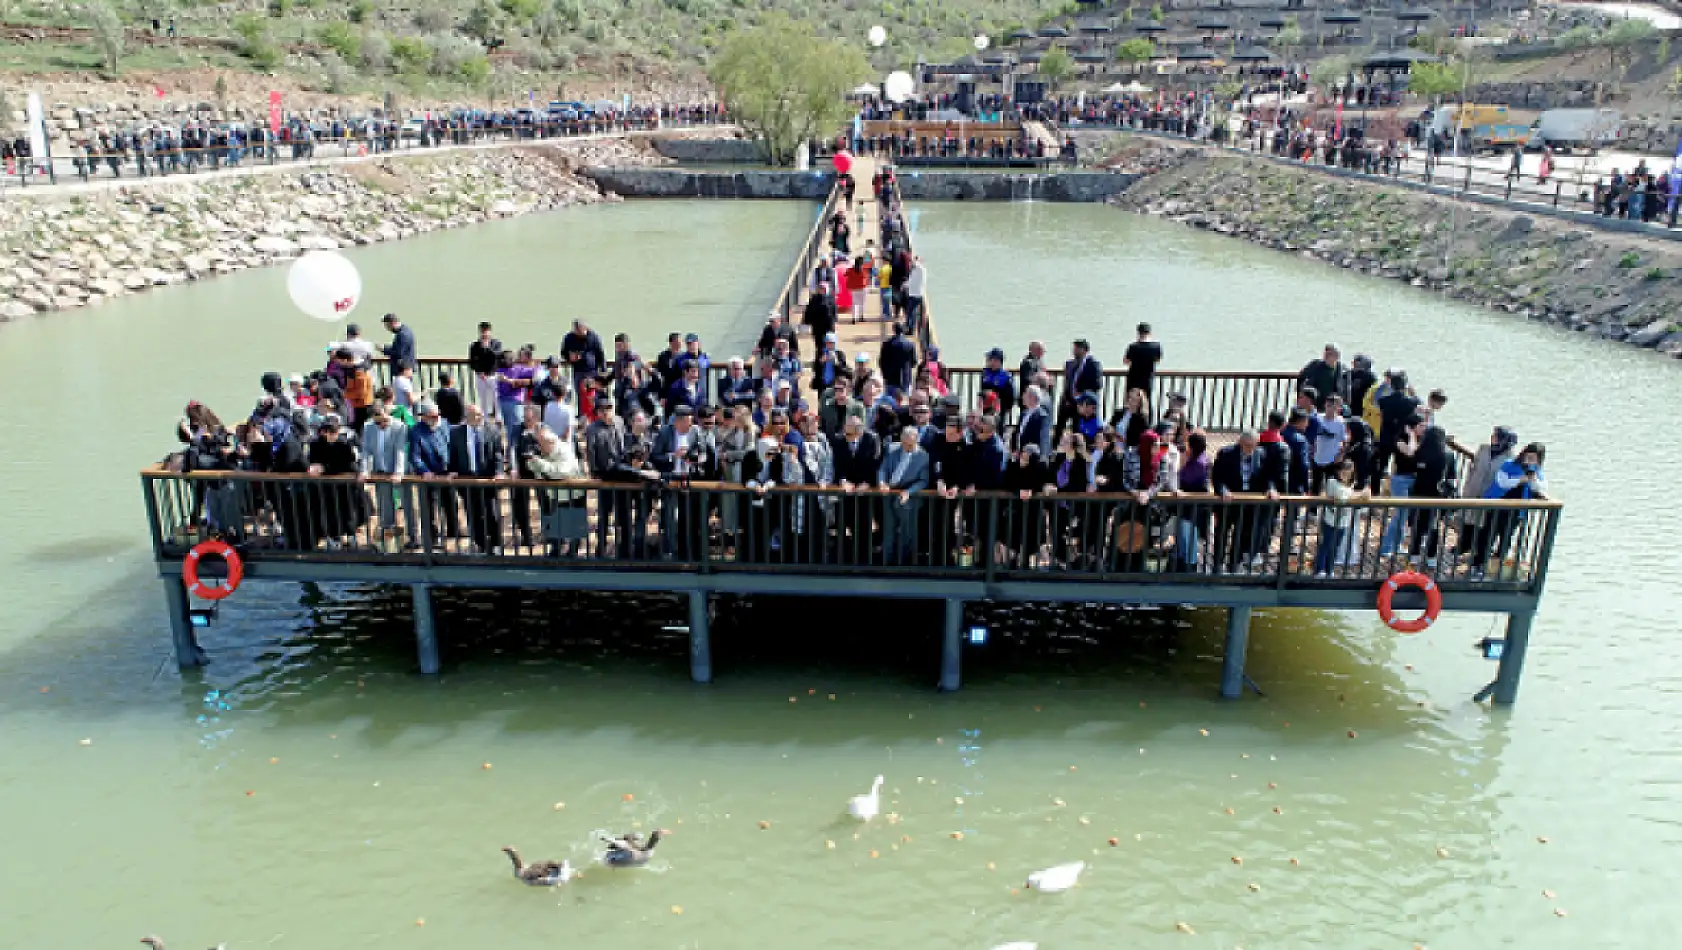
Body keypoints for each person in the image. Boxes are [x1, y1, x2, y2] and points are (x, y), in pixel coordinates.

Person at [1211, 429, 1285, 573]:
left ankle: (1234, 565)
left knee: (1241, 535)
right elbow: (1217, 477)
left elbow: (1267, 477)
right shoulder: (1226, 453)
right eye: (1246, 445)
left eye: (1252, 445)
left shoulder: (1262, 454)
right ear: (1240, 442)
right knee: (1222, 534)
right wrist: (1223, 491)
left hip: (1248, 504)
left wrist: (1271, 489)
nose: (1249, 449)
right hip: (1228, 502)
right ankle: (1217, 565)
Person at [1480, 442, 1547, 575]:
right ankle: (1480, 562)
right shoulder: (1510, 465)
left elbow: (1541, 487)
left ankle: (1497, 567)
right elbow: (1502, 482)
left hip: (1516, 511)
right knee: (1488, 535)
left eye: (1534, 458)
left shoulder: (1536, 471)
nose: (1530, 460)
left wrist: (1532, 480)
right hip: (1498, 506)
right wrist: (1519, 480)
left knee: (1506, 538)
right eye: (1528, 456)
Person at [447, 405, 507, 553]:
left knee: (491, 513)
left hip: (487, 479)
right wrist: (453, 470)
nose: (479, 418)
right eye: (475, 415)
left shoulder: (492, 430)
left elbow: (498, 454)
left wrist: (499, 472)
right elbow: (453, 454)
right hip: (467, 479)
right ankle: (479, 543)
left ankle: (496, 543)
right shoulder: (456, 433)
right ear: (467, 417)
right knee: (472, 512)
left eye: (480, 414)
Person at [525, 427, 588, 556]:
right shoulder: (543, 451)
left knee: (574, 527)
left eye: (541, 443)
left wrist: (540, 464)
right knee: (556, 526)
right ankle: (556, 552)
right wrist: (533, 462)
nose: (539, 446)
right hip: (556, 495)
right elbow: (536, 471)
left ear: (550, 443)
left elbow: (562, 472)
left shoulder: (564, 450)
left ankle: (573, 554)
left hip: (573, 494)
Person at [359, 404, 412, 548]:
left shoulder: (400, 427)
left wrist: (399, 472)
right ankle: (388, 539)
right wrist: (364, 470)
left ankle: (413, 535)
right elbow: (366, 450)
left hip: (399, 471)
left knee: (407, 504)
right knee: (384, 504)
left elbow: (400, 450)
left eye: (384, 421)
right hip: (381, 471)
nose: (382, 424)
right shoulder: (368, 427)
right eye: (378, 422)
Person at [878, 425, 931, 565]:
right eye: (904, 443)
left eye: (910, 444)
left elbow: (923, 481)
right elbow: (883, 469)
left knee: (908, 532)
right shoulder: (891, 449)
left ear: (916, 441)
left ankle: (904, 563)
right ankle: (886, 563)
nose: (907, 446)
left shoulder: (923, 456)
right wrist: (882, 482)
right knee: (888, 529)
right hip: (889, 494)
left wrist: (909, 492)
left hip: (909, 499)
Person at [1407, 425, 1457, 566]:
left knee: (1417, 525)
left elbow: (1413, 467)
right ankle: (1431, 557)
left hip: (1420, 494)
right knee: (1434, 527)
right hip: (1438, 497)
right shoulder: (1449, 454)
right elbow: (1452, 477)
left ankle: (1414, 554)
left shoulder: (1422, 452)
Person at [1379, 417, 1423, 558]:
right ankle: (1386, 547)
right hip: (1401, 480)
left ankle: (1397, 545)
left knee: (1405, 516)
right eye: (1420, 426)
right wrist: (1411, 435)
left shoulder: (1419, 439)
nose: (1423, 429)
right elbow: (1410, 452)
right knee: (1400, 515)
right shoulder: (1400, 440)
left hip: (1413, 479)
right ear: (1411, 427)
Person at [1314, 459, 1366, 577]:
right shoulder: (1332, 482)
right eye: (1343, 472)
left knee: (1336, 546)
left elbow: (1350, 497)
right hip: (1329, 520)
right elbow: (1341, 497)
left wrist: (1360, 495)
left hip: (1343, 522)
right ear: (1339, 471)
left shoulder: (1351, 486)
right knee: (1326, 544)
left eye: (1348, 474)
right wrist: (1359, 495)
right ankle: (1320, 569)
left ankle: (1329, 569)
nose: (1345, 476)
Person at [1057, 339, 1102, 436]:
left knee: (1078, 429)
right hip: (1069, 400)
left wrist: (1082, 394)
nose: (1074, 351)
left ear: (1083, 350)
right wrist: (1066, 397)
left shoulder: (1093, 364)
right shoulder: (1070, 364)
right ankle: (1056, 445)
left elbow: (1097, 384)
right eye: (1073, 349)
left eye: (1076, 349)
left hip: (1083, 402)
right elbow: (1068, 382)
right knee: (1060, 426)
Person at [1310, 394, 1347, 493]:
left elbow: (1344, 441)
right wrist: (1312, 451)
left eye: (1333, 407)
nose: (1330, 409)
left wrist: (1340, 455)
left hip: (1332, 460)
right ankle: (1312, 508)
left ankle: (1329, 508)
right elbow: (1311, 437)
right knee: (1315, 487)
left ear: (1338, 408)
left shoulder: (1340, 422)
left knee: (1332, 488)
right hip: (1317, 458)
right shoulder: (1318, 419)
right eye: (1328, 406)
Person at [468, 322, 503, 418]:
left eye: (486, 331)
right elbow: (472, 362)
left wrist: (487, 348)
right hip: (480, 376)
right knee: (482, 398)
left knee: (496, 397)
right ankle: (484, 418)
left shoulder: (497, 344)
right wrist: (479, 372)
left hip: (493, 375)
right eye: (482, 331)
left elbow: (496, 356)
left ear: (490, 332)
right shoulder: (474, 346)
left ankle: (498, 418)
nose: (484, 334)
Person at [1297, 343, 1348, 410]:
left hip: (1331, 404)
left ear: (1337, 356)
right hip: (1314, 403)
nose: (1327, 355)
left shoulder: (1341, 368)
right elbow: (1301, 377)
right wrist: (1300, 395)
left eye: (1331, 353)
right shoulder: (1315, 365)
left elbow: (1346, 386)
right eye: (1326, 353)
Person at [1122, 322, 1162, 399]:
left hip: (1133, 379)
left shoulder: (1133, 346)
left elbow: (1126, 361)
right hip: (1147, 379)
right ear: (1150, 333)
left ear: (1138, 333)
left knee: (1131, 402)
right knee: (1146, 401)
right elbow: (1157, 360)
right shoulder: (1156, 346)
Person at [560, 319, 605, 384]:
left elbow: (601, 354)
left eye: (580, 331)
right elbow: (563, 353)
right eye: (576, 331)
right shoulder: (569, 338)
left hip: (592, 371)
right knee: (580, 392)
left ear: (585, 328)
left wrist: (603, 370)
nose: (579, 333)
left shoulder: (594, 337)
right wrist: (569, 357)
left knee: (593, 393)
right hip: (578, 371)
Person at [880, 323, 917, 394]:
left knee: (891, 401)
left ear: (893, 330)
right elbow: (914, 362)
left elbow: (882, 362)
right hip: (905, 378)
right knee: (905, 400)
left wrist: (885, 374)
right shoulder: (910, 345)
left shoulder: (887, 344)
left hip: (891, 378)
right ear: (903, 330)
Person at [980, 348, 1017, 421]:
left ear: (997, 361)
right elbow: (983, 390)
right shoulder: (985, 373)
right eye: (988, 359)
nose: (988, 361)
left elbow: (1011, 396)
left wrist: (1007, 408)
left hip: (999, 409)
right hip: (986, 408)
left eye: (990, 359)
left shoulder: (1005, 376)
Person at [1016, 385, 1052, 459]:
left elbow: (1044, 439)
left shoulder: (1042, 416)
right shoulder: (1023, 413)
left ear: (1032, 398)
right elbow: (1018, 433)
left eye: (1025, 394)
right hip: (1021, 456)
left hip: (1032, 458)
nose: (1022, 397)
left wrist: (1043, 458)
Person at [902, 256, 927, 332]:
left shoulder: (920, 270)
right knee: (911, 312)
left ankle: (910, 328)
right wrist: (905, 285)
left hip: (915, 295)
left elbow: (911, 282)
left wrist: (915, 260)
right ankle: (910, 328)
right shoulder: (917, 271)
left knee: (910, 313)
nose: (910, 265)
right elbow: (911, 282)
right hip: (915, 294)